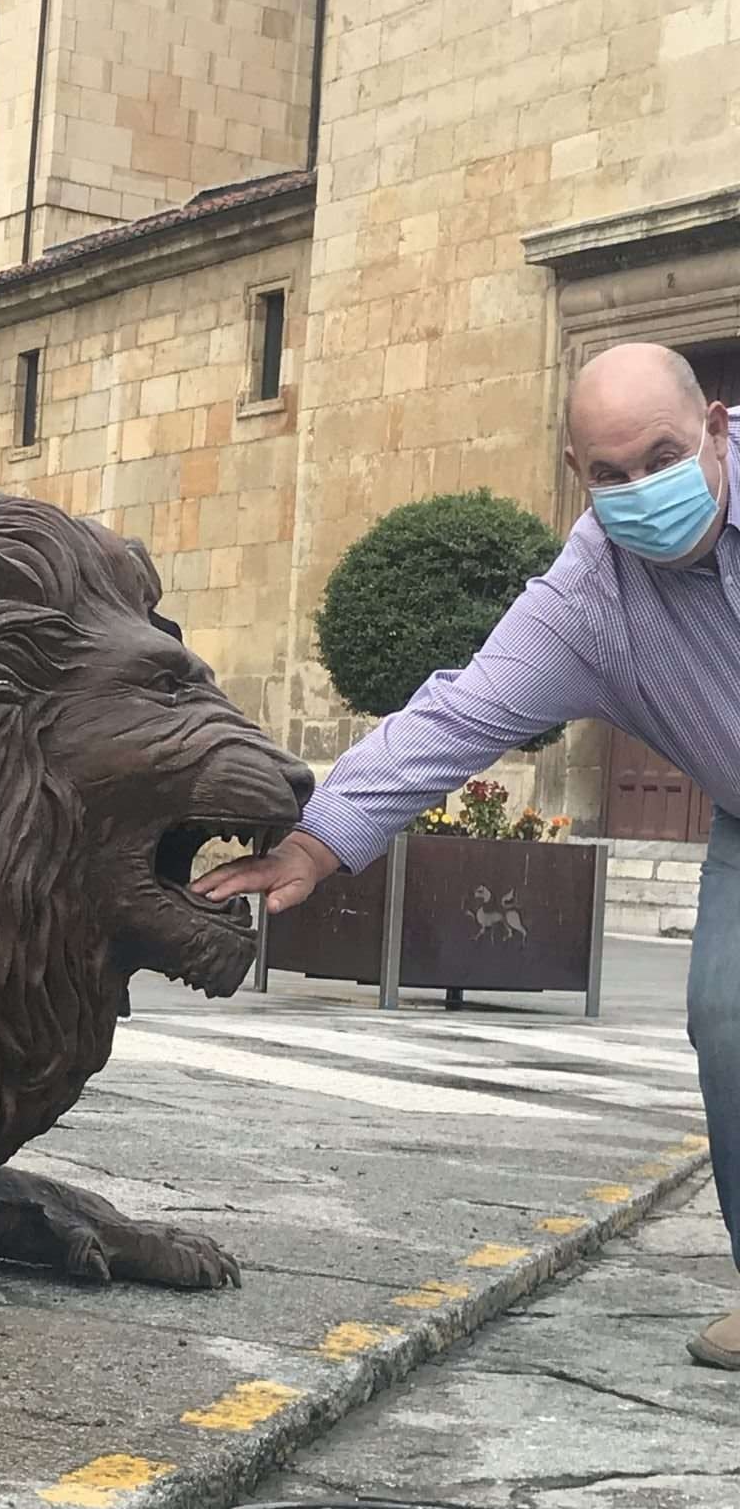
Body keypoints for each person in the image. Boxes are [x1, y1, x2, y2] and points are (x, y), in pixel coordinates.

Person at [196, 342, 740, 1371]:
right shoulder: (589, 602)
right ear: (581, 475)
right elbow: (459, 712)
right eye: (609, 475)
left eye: (661, 456)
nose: (640, 491)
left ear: (715, 425)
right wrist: (317, 841)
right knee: (728, 1020)